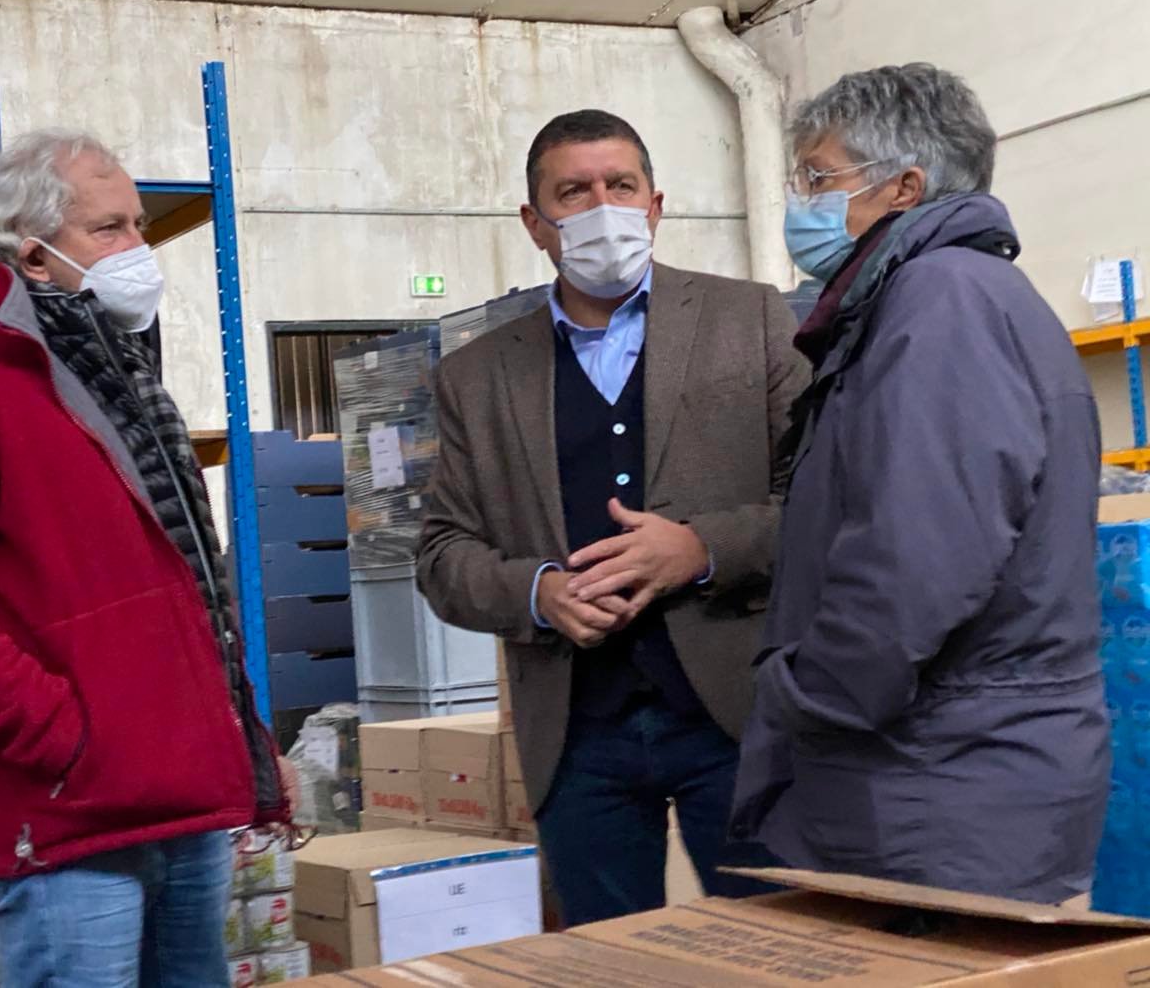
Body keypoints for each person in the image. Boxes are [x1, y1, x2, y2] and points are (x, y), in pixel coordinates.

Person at [0, 130, 295, 987]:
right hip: (69, 816)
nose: (140, 250)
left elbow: (191, 587)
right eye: (111, 229)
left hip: (180, 796)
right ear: (34, 255)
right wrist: (64, 735)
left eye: (139, 226)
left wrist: (244, 740)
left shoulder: (119, 381)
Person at [417, 109, 808, 926]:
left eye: (619, 186)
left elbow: (825, 505)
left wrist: (701, 548)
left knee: (787, 950)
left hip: (735, 717)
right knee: (606, 961)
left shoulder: (754, 321)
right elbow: (443, 554)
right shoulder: (476, 377)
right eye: (574, 191)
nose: (602, 207)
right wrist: (539, 592)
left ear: (655, 204)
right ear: (535, 222)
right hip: (576, 731)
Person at [731, 64, 1109, 903]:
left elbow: (919, 555)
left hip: (937, 780)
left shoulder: (942, 299)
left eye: (819, 177)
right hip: (949, 768)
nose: (803, 200)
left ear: (904, 186)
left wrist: (806, 694)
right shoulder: (946, 296)